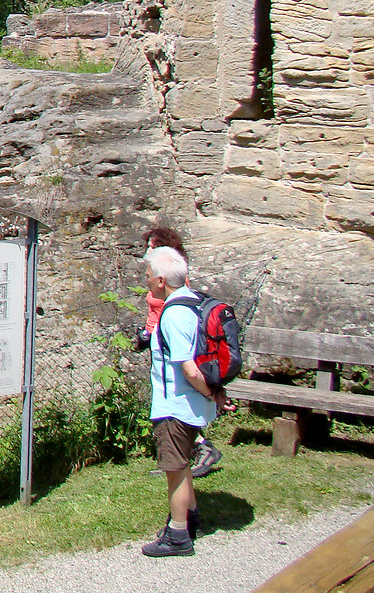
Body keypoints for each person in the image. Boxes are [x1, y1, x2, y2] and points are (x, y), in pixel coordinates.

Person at [141, 245, 233, 557]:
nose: (147, 280)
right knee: (182, 464)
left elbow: (190, 368)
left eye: (150, 276)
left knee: (175, 468)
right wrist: (214, 395)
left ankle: (178, 535)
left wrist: (212, 395)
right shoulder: (196, 304)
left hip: (177, 405)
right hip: (193, 403)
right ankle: (190, 518)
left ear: (162, 280)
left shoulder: (173, 314)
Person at [134, 227, 222, 478]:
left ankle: (190, 456)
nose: (147, 251)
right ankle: (177, 460)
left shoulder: (172, 279)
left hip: (171, 341)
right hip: (159, 339)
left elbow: (170, 312)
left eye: (152, 246)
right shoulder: (159, 275)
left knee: (175, 398)